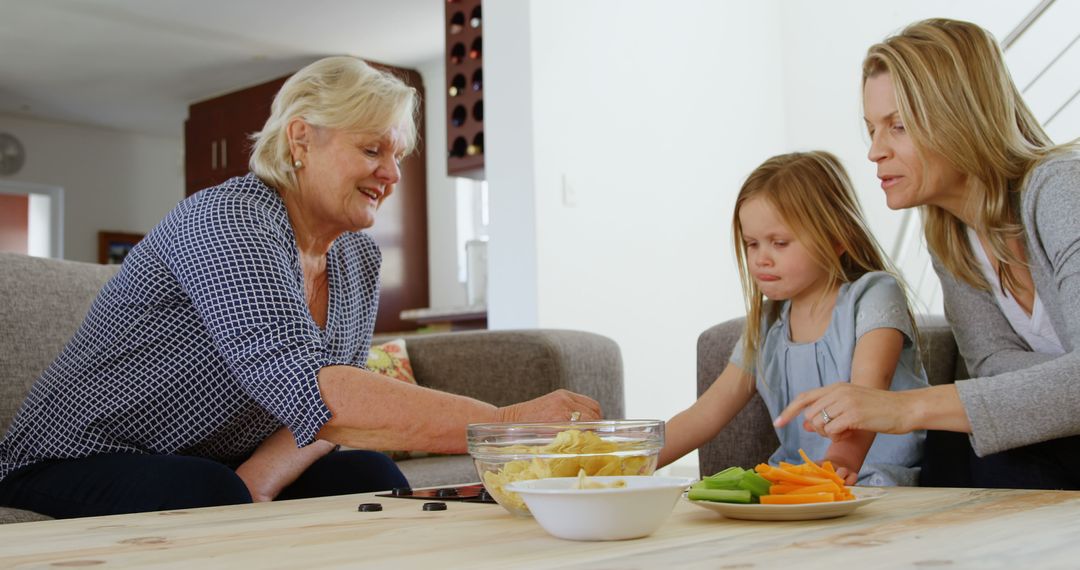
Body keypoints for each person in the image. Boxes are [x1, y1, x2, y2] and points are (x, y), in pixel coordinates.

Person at [0, 56, 601, 518]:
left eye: (397, 157)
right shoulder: (230, 219)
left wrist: (255, 482)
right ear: (300, 139)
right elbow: (313, 389)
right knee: (206, 493)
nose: (391, 174)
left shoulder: (358, 260)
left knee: (362, 475)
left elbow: (317, 419)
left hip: (210, 459)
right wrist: (509, 421)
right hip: (72, 455)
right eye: (372, 150)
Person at [775, 18, 1080, 490]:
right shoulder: (951, 236)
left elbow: (1002, 389)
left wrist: (904, 407)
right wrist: (1057, 384)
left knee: (969, 443)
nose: (875, 151)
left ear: (961, 117)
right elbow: (989, 369)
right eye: (872, 129)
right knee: (953, 447)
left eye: (897, 126)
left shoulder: (1062, 189)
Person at [659, 151, 927, 486]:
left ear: (837, 237)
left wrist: (837, 462)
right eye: (751, 244)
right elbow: (705, 414)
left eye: (780, 243)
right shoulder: (766, 322)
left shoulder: (873, 294)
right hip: (798, 482)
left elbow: (865, 394)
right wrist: (628, 461)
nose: (760, 259)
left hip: (873, 480)